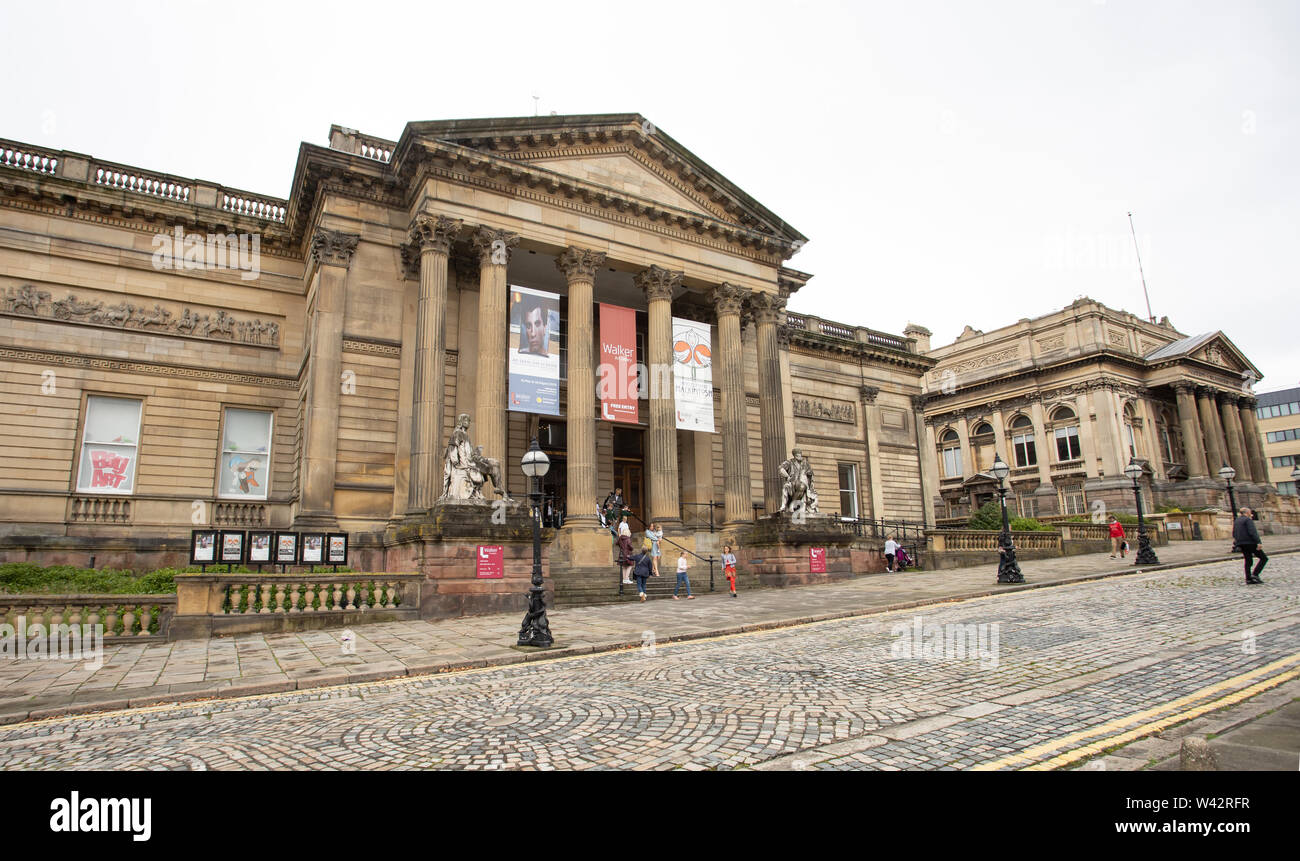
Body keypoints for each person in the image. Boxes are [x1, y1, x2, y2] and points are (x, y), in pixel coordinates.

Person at [1232, 507, 1266, 585]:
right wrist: (1258, 542)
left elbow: (1234, 532)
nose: (1251, 514)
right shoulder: (1248, 520)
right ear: (1247, 513)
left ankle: (1248, 578)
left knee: (1248, 560)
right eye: (1250, 512)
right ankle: (1255, 574)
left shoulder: (1237, 520)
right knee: (1263, 558)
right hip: (1250, 542)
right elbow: (1252, 532)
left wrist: (1237, 542)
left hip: (1241, 543)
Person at [617, 517, 635, 584]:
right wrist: (632, 548)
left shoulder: (620, 539)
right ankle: (626, 578)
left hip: (622, 554)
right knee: (630, 565)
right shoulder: (627, 539)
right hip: (627, 554)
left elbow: (618, 544)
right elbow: (630, 546)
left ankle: (624, 579)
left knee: (624, 566)